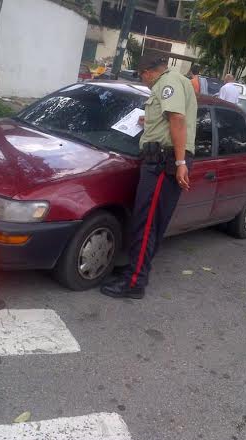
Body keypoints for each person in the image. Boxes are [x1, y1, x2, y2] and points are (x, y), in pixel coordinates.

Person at [100, 54, 198, 299]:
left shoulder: (167, 83)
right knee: (152, 223)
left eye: (142, 76)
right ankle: (136, 268)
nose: (144, 81)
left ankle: (134, 282)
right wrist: (149, 121)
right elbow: (169, 119)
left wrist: (180, 162)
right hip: (165, 159)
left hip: (163, 162)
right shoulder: (176, 81)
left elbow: (177, 118)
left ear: (147, 72)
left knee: (146, 223)